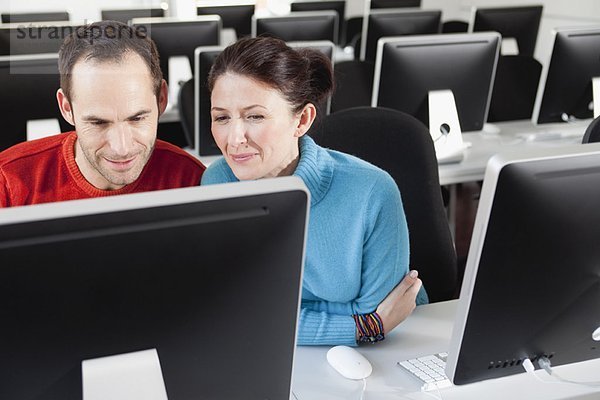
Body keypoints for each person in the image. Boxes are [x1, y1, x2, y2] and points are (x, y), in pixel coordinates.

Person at [201, 36, 428, 346]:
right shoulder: (217, 183)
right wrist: (362, 324)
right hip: (288, 354)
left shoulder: (373, 192)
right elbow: (234, 311)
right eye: (222, 118)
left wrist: (270, 314)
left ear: (302, 120)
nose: (234, 138)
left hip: (391, 351)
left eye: (255, 116)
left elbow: (386, 315)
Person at [0, 21, 205, 207]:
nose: (122, 148)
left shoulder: (189, 179)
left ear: (162, 99)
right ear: (66, 108)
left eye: (137, 118)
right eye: (98, 123)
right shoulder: (7, 181)